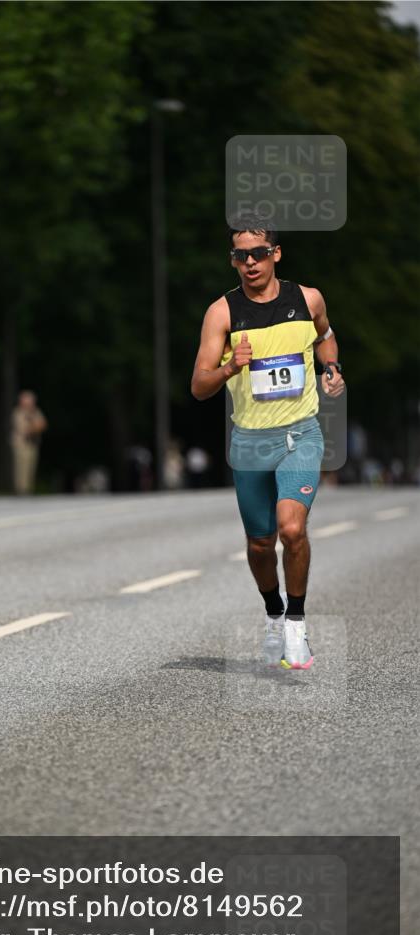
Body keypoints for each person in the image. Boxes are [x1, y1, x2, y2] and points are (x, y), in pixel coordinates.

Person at [191, 218, 345, 670]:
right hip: (250, 441)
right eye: (241, 256)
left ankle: (296, 623)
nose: (251, 263)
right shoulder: (222, 313)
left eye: (259, 253)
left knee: (292, 529)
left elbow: (326, 335)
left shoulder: (308, 298)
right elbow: (199, 385)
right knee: (261, 542)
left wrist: (331, 370)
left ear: (275, 253)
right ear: (233, 261)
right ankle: (274, 613)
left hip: (300, 433)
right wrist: (228, 369)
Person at [10, 391, 47, 495]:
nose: (30, 403)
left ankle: (28, 488)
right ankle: (21, 489)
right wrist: (36, 426)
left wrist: (35, 426)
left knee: (31, 466)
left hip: (33, 443)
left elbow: (43, 424)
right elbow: (24, 429)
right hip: (21, 443)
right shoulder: (18, 412)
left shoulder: (36, 411)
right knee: (21, 466)